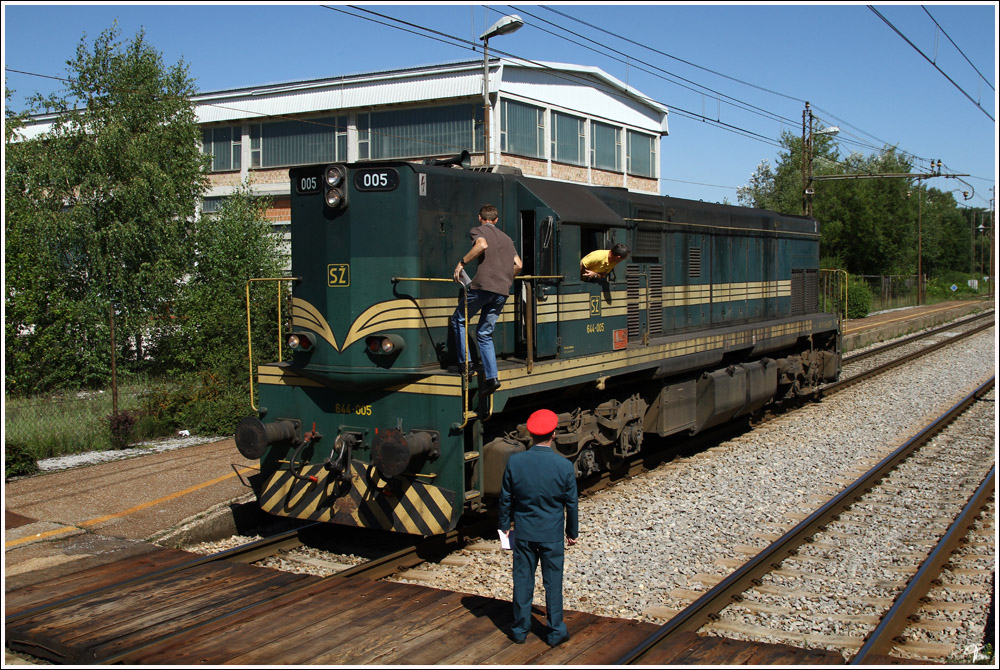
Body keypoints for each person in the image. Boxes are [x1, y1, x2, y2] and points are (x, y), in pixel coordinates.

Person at [498, 408, 579, 647]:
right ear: (553, 434)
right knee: (553, 582)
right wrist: (571, 532)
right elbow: (571, 504)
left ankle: (520, 630)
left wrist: (504, 528)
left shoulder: (515, 462)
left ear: (531, 434)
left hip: (523, 532)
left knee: (523, 580)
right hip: (552, 534)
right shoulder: (563, 466)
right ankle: (555, 632)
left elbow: (505, 499)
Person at [450, 204, 522, 395]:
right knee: (484, 333)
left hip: (482, 287)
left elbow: (482, 245)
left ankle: (466, 365)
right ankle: (492, 378)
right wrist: (505, 277)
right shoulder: (507, 239)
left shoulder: (478, 230)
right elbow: (519, 265)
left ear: (480, 217)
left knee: (459, 319)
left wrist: (462, 263)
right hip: (502, 291)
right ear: (496, 220)